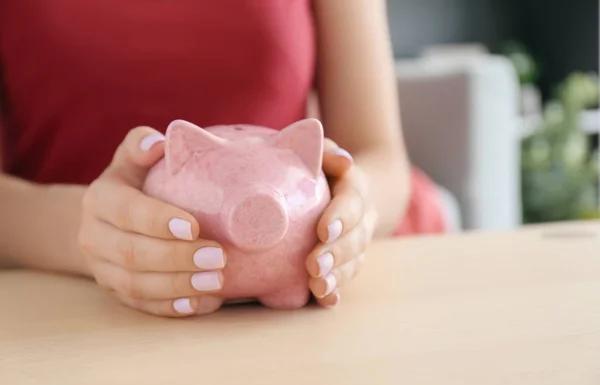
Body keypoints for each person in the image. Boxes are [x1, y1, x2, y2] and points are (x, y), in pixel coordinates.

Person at [0, 1, 446, 316]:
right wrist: (88, 232)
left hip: (304, 296)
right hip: (58, 295)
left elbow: (379, 156)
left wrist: (350, 211)